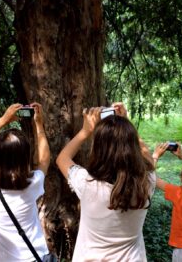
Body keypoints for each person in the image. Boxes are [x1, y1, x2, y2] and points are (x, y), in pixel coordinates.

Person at [56, 103, 156, 261]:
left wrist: (85, 131)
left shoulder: (88, 184)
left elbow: (62, 159)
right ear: (133, 147)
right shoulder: (147, 181)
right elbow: (149, 160)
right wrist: (126, 125)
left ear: (98, 149)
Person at [0, 103, 50, 262]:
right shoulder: (32, 184)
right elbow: (44, 159)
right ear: (24, 159)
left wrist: (4, 120)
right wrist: (39, 124)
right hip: (32, 257)